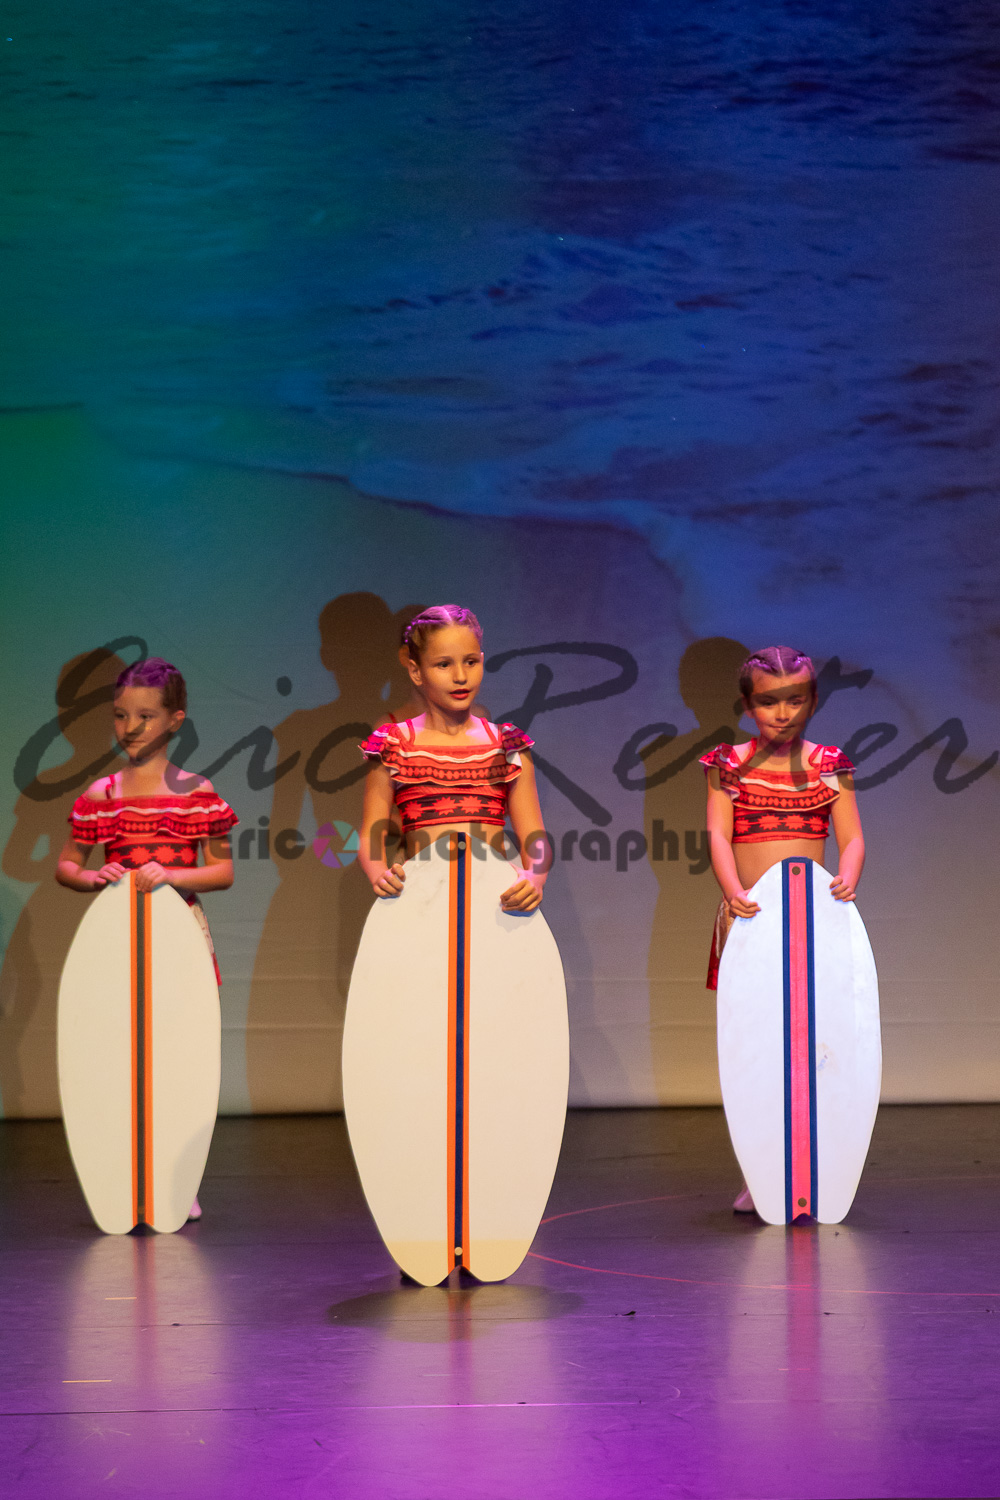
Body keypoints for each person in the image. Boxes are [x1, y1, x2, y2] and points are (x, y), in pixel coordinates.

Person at [56, 657, 237, 1221]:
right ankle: (121, 1171)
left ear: (174, 719)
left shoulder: (196, 792)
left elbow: (222, 872)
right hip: (118, 937)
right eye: (120, 715)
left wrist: (174, 874)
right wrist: (92, 876)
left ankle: (178, 1179)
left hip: (178, 935)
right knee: (120, 1053)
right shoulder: (103, 794)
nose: (130, 727)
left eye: (145, 716)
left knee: (178, 1054)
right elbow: (67, 864)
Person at [700, 646, 864, 1214]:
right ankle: (763, 1171)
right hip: (752, 921)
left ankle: (818, 1165)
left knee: (818, 1048)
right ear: (748, 706)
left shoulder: (829, 765)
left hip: (815, 924)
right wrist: (733, 891)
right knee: (757, 1050)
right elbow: (719, 835)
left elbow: (852, 838)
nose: (783, 713)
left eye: (795, 700)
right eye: (769, 702)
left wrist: (848, 876)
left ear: (812, 701)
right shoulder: (728, 764)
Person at [358, 604, 546, 911]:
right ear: (416, 671)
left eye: (471, 662)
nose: (461, 676)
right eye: (443, 665)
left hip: (495, 903)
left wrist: (535, 876)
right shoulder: (395, 745)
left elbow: (534, 836)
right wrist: (378, 871)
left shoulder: (507, 746)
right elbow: (371, 833)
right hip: (421, 901)